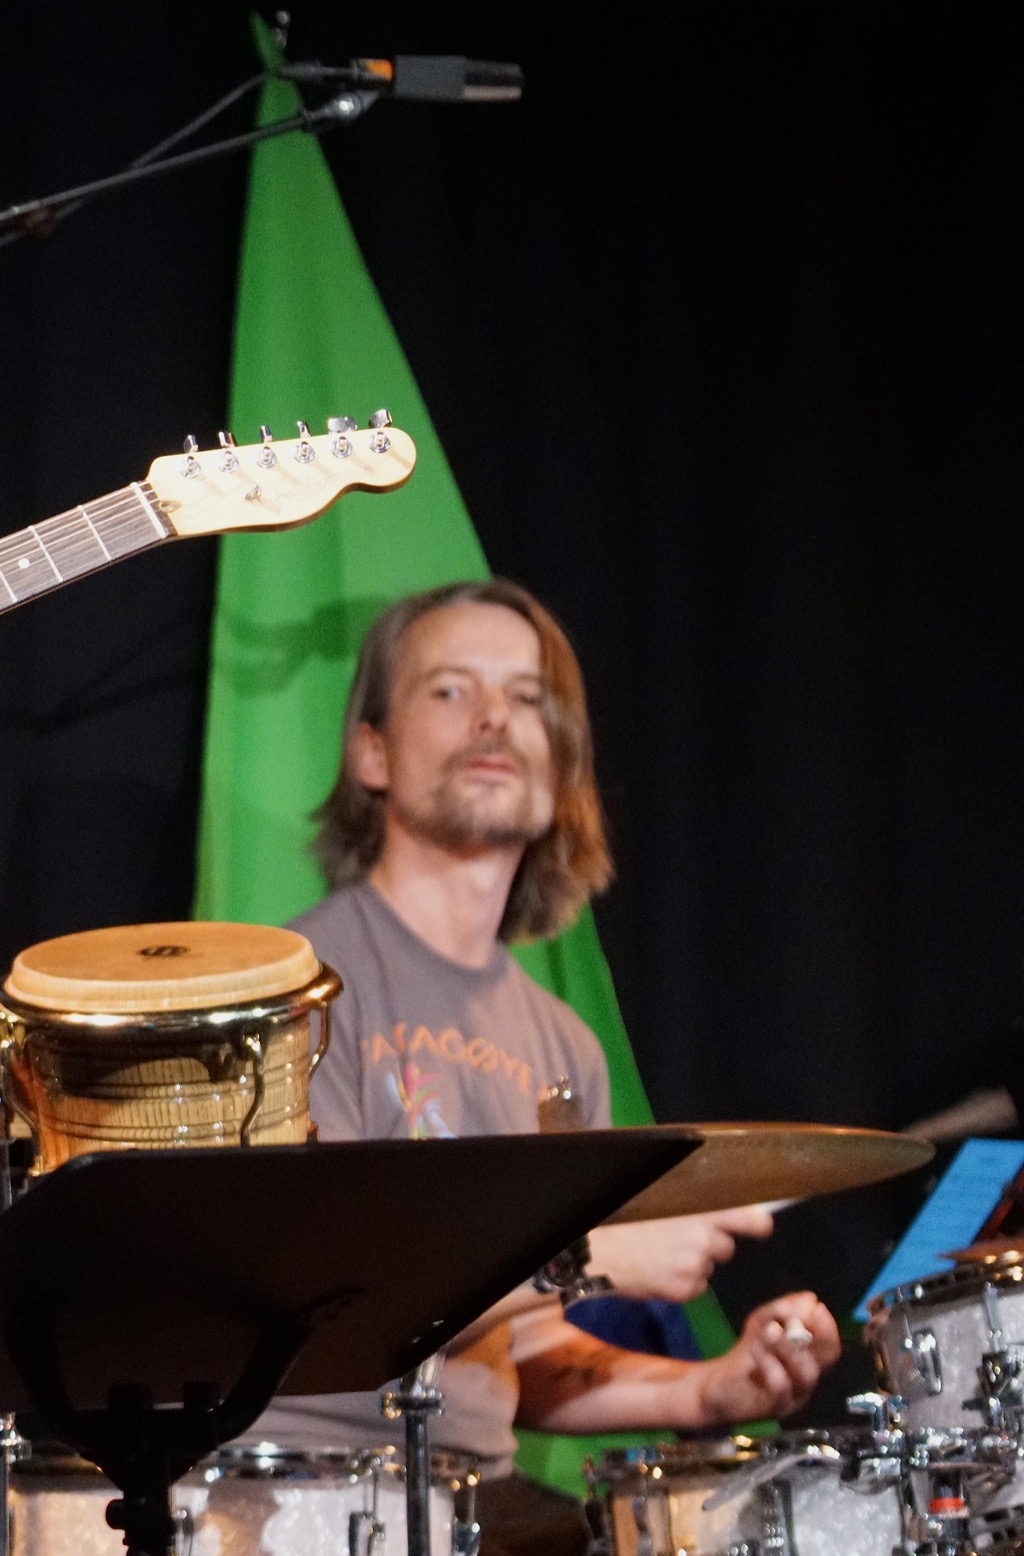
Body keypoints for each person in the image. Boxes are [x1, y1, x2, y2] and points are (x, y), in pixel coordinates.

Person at [243, 581, 840, 1553]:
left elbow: (524, 1350)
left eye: (527, 697)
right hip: (299, 1495)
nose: (494, 718)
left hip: (476, 1493)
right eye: (450, 690)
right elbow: (337, 1294)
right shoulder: (295, 987)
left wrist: (713, 1387)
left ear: (561, 764)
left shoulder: (563, 1043)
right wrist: (590, 1255)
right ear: (371, 752)